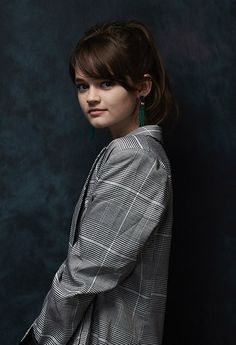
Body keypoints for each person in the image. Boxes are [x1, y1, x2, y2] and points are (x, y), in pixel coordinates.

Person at [19, 20, 176, 345]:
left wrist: (40, 338)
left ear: (142, 87)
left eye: (106, 83)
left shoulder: (137, 159)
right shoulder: (127, 152)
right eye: (82, 85)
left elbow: (87, 270)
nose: (91, 97)